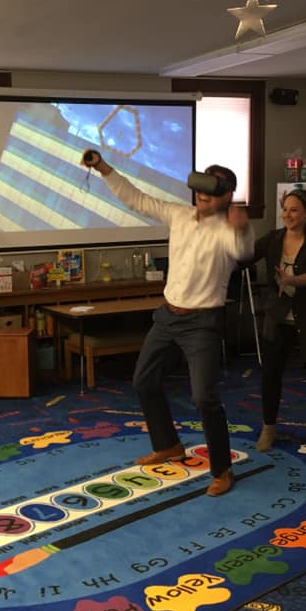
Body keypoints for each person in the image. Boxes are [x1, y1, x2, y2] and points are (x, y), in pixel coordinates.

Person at [81, 149, 255, 496]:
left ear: (225, 196)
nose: (202, 194)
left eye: (212, 189)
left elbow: (243, 252)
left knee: (204, 397)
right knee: (143, 382)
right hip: (167, 315)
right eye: (201, 186)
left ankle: (222, 470)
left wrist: (242, 226)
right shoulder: (178, 215)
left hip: (202, 323)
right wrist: (101, 167)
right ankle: (169, 445)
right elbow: (137, 199)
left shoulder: (228, 231)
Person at [253, 188, 306, 450]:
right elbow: (244, 256)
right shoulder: (273, 239)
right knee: (271, 374)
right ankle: (268, 427)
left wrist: (290, 279)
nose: (287, 215)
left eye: (294, 210)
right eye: (285, 209)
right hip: (279, 314)